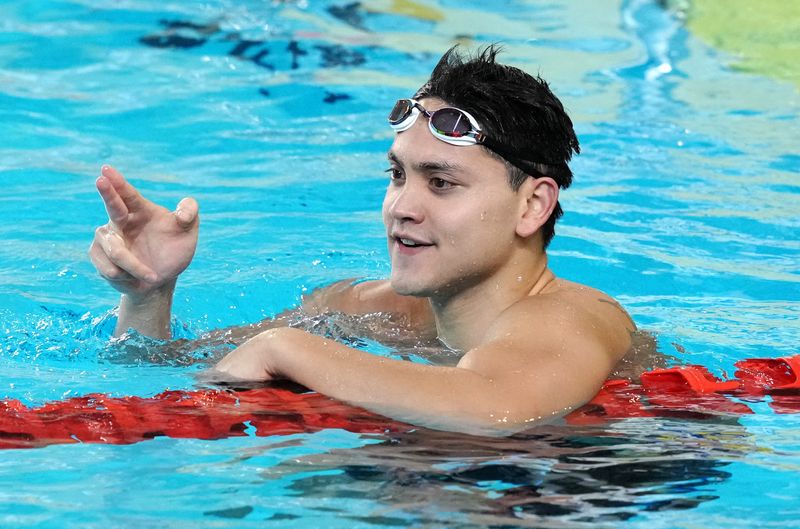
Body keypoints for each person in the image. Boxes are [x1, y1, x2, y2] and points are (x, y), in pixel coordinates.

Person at [89, 46, 635, 435]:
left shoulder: (573, 318)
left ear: (532, 205)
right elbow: (166, 371)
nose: (401, 207)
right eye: (397, 176)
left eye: (441, 183)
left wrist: (290, 347)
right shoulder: (368, 309)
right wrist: (149, 295)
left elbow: (499, 407)